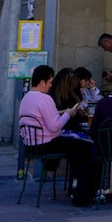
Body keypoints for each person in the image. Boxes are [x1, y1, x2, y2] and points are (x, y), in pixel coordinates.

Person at [18, 64, 95, 206]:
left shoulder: (27, 98)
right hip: (47, 143)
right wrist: (67, 114)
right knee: (86, 149)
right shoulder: (45, 99)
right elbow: (55, 126)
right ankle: (82, 195)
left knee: (78, 148)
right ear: (42, 82)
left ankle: (76, 188)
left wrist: (61, 112)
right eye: (50, 82)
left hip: (32, 144)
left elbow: (42, 118)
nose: (51, 85)